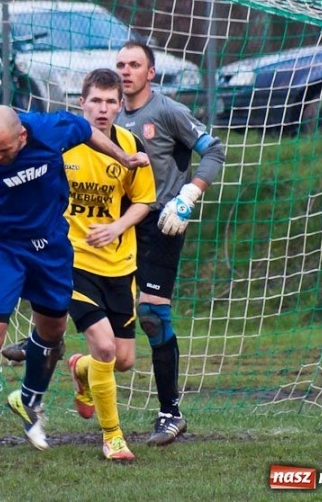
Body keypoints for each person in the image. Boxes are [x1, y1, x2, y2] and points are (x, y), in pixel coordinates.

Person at [0, 105, 149, 478]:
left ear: (22, 136)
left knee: (53, 330)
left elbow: (86, 131)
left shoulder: (51, 128)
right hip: (2, 249)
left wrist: (122, 157)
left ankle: (30, 397)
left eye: (4, 150)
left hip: (51, 247)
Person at [114, 41, 226, 446]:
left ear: (151, 73)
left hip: (163, 220)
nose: (126, 71)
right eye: (121, 65)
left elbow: (214, 149)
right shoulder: (110, 115)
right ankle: (60, 359)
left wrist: (188, 197)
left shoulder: (167, 111)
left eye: (135, 65)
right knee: (99, 308)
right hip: (121, 222)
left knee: (152, 314)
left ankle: (170, 413)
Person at [63, 69, 156, 462]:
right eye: (95, 101)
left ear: (121, 105)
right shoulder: (62, 145)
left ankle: (81, 370)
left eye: (110, 102)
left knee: (122, 360)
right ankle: (112, 437)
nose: (102, 109)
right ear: (81, 102)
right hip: (73, 261)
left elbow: (145, 201)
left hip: (120, 265)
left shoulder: (131, 146)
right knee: (103, 346)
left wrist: (116, 226)